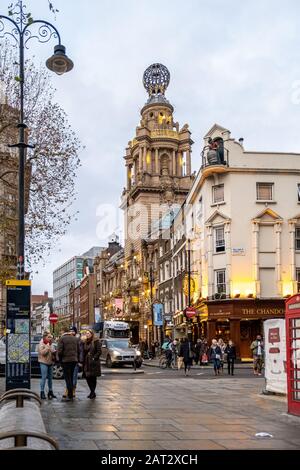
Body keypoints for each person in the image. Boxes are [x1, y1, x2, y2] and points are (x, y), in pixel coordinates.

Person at [58, 326, 80, 401]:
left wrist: (60, 360)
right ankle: (71, 394)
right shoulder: (75, 338)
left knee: (67, 378)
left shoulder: (62, 339)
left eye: (60, 331)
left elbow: (60, 351)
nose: (60, 333)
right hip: (74, 360)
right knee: (71, 376)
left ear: (63, 331)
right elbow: (79, 350)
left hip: (65, 360)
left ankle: (70, 395)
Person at [80, 329, 101, 399]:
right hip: (86, 362)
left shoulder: (96, 341)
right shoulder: (85, 342)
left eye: (88, 333)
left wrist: (94, 358)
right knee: (87, 377)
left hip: (93, 362)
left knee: (93, 378)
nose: (87, 334)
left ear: (92, 334)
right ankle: (92, 392)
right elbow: (83, 351)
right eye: (86, 333)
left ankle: (92, 392)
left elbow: (99, 351)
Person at [38, 331, 57, 400]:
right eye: (48, 337)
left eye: (51, 337)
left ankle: (50, 391)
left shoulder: (51, 343)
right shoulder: (41, 343)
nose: (50, 338)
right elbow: (42, 353)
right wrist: (47, 347)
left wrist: (54, 351)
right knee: (44, 377)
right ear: (44, 337)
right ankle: (42, 392)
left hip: (50, 362)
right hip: (43, 362)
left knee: (50, 378)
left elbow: (52, 351)